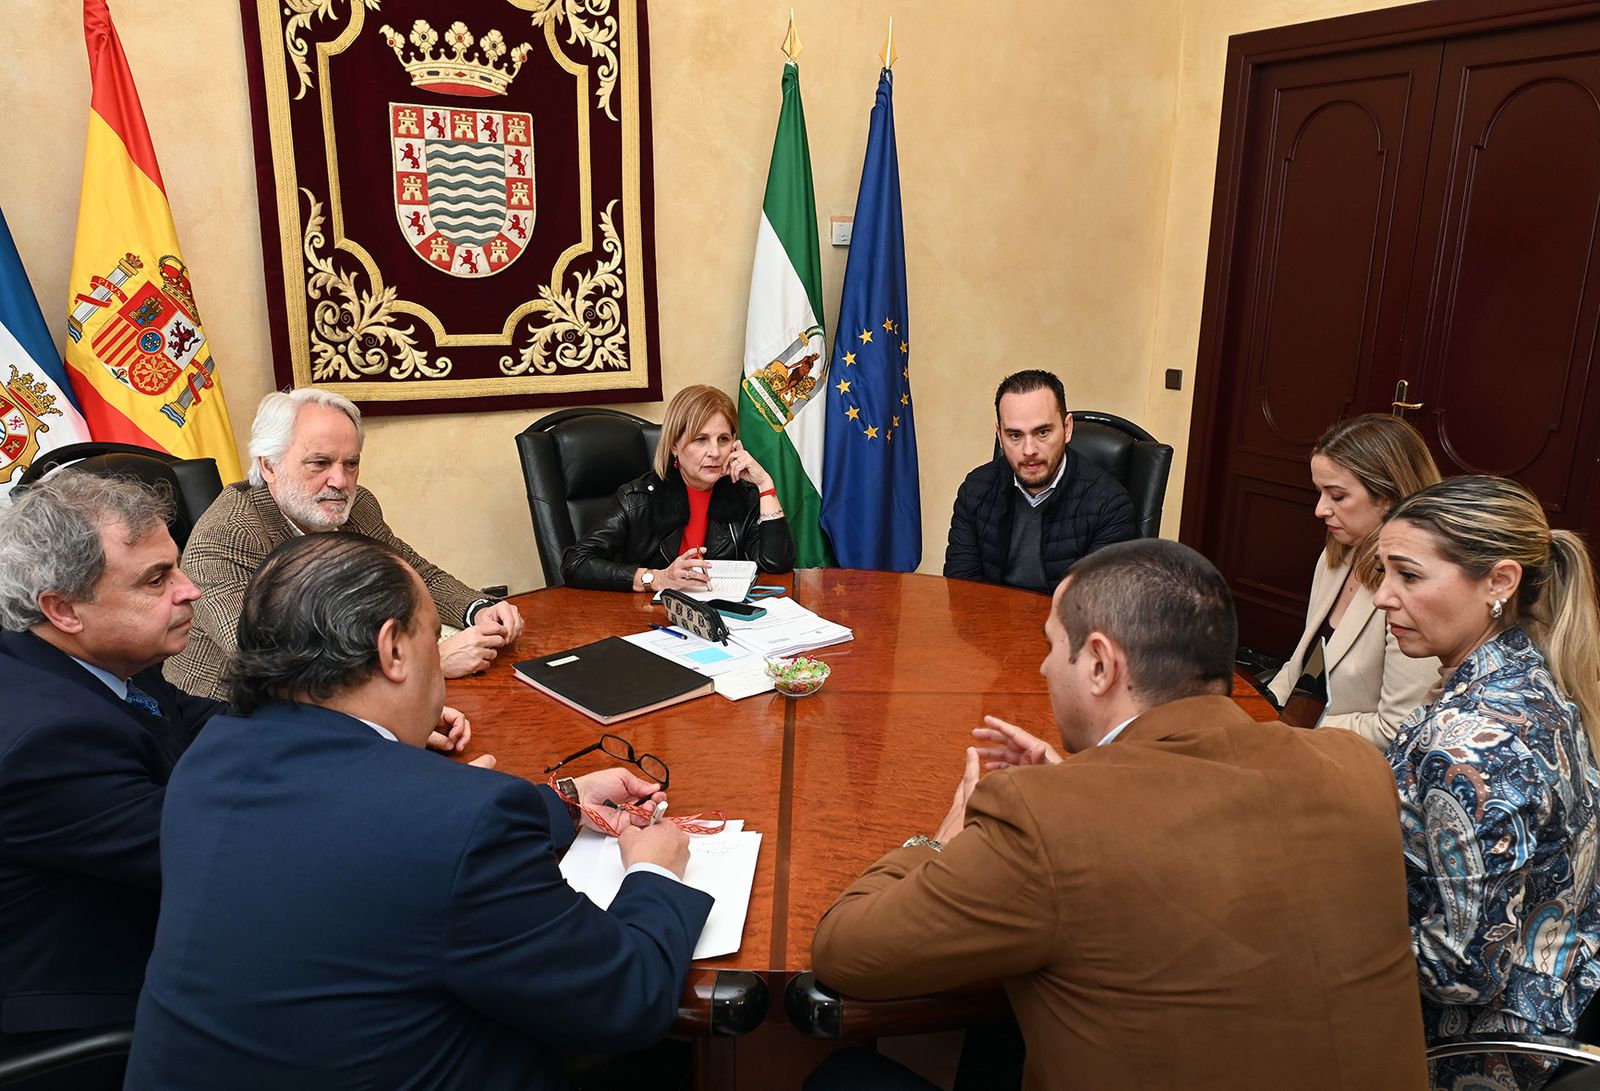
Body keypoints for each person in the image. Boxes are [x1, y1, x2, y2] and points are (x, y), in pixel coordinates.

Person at [811, 539, 1428, 1090]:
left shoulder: (1043, 819)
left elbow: (847, 952)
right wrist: (1077, 791)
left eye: (1053, 646)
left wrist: (944, 836)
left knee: (839, 1077)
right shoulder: (1357, 769)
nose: (1045, 666)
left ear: (1101, 665)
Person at [124, 533, 714, 1090]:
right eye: (432, 635)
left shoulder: (207, 762)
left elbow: (362, 833)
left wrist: (564, 799)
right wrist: (655, 872)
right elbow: (624, 999)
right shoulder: (457, 819)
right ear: (393, 650)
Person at [1375, 476, 1600, 1091]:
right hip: (1562, 996)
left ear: (1499, 583)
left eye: (1408, 576)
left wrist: (1334, 936)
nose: (1381, 598)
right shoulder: (1532, 670)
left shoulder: (1474, 743)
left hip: (1479, 1051)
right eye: (1382, 573)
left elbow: (1465, 968)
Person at [0, 473, 225, 1088]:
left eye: (175, 568)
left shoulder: (99, 657)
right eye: (156, 580)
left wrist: (353, 725)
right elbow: (216, 857)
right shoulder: (46, 739)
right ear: (63, 608)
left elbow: (200, 721)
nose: (190, 591)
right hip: (86, 1018)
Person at [166, 388, 524, 700]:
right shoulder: (230, 533)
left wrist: (478, 608)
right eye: (319, 463)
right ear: (269, 466)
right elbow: (266, 661)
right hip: (234, 712)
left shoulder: (355, 507)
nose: (339, 481)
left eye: (350, 463)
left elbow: (416, 576)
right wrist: (427, 663)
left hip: (340, 692)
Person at [1267, 414, 1442, 745]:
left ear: (1390, 496)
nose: (1320, 509)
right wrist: (1259, 713)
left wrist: (1291, 731)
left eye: (1337, 495)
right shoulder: (1336, 556)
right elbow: (1300, 666)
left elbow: (1397, 730)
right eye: (1319, 492)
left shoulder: (1417, 591)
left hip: (1356, 768)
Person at [561, 384, 796, 591]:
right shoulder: (637, 499)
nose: (714, 452)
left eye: (723, 439)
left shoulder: (743, 494)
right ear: (674, 445)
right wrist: (656, 578)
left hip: (720, 620)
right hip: (646, 621)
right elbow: (576, 563)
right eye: (700, 439)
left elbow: (776, 566)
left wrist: (765, 485)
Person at [944, 369, 1136, 594]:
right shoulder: (976, 489)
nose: (1029, 450)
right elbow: (961, 589)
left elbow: (1095, 605)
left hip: (1066, 626)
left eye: (1042, 432)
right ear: (1000, 436)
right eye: (1015, 435)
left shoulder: (1110, 505)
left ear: (1067, 429)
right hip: (989, 622)